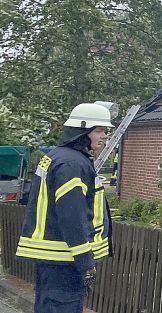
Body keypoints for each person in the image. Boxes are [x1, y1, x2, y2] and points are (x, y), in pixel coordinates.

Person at [16, 103, 114, 313]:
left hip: (55, 259)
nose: (103, 136)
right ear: (82, 131)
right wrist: (85, 260)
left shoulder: (59, 157)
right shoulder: (72, 164)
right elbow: (72, 215)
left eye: (104, 131)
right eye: (98, 130)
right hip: (65, 260)